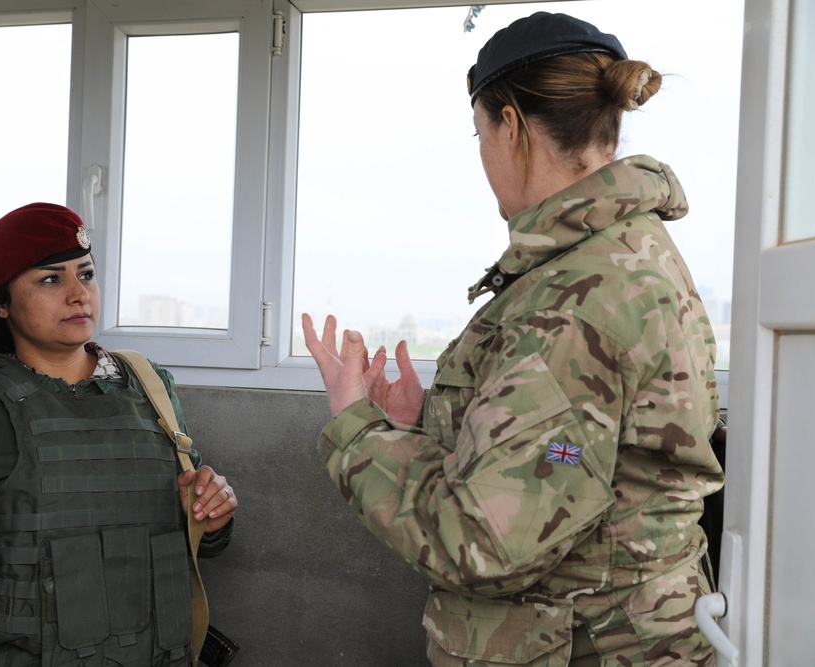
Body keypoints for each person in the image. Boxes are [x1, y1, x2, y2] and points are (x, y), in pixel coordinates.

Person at [303, 11, 723, 666]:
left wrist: (357, 427)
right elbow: (574, 461)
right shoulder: (628, 252)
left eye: (479, 132)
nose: (482, 155)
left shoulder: (573, 303)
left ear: (512, 125)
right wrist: (429, 423)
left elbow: (481, 541)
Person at [0, 202, 236, 667]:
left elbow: (191, 539)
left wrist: (212, 517)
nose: (78, 294)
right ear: (0, 302)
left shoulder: (150, 386)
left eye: (86, 274)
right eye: (50, 279)